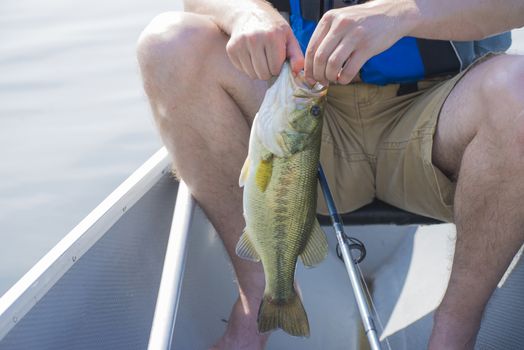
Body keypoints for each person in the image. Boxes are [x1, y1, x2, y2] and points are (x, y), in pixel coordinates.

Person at [136, 0, 524, 348]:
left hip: (439, 120)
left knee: (519, 89)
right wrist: (244, 12)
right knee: (169, 42)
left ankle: (455, 333)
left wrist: (403, 13)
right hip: (304, 122)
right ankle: (257, 301)